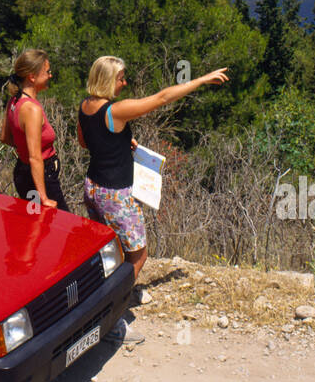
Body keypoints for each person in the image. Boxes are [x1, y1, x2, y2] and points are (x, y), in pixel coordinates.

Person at [78, 56, 228, 283]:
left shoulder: (85, 105)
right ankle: (118, 304)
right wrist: (201, 80)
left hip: (93, 187)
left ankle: (99, 292)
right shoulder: (115, 111)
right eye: (121, 79)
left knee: (109, 251)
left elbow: (84, 142)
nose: (124, 83)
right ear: (108, 80)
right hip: (116, 194)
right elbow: (162, 98)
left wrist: (117, 142)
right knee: (137, 256)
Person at [0, 48, 70, 213]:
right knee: (63, 224)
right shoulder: (31, 109)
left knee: (36, 225)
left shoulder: (14, 101)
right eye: (47, 72)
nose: (50, 75)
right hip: (41, 179)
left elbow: (5, 137)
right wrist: (44, 198)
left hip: (23, 173)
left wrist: (23, 147)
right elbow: (35, 157)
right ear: (32, 76)